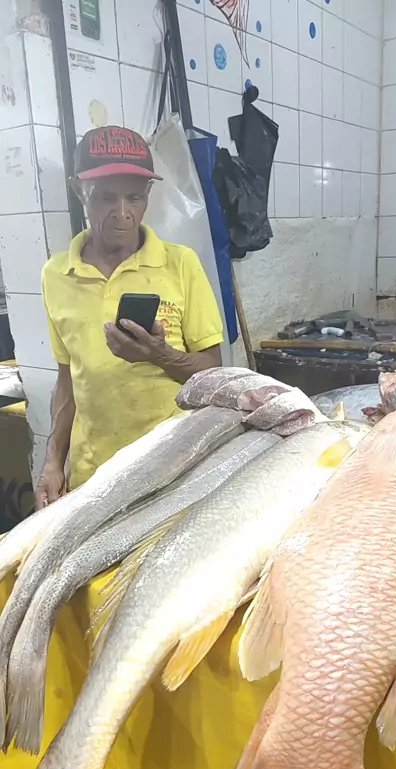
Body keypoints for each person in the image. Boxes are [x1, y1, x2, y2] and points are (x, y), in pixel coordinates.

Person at [35, 125, 224, 507]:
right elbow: (68, 379)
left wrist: (159, 354)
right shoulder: (56, 275)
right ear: (79, 191)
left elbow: (214, 371)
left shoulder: (180, 264)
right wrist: (53, 462)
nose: (123, 214)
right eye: (106, 197)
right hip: (94, 477)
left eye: (134, 198)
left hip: (173, 469)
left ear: (148, 194)